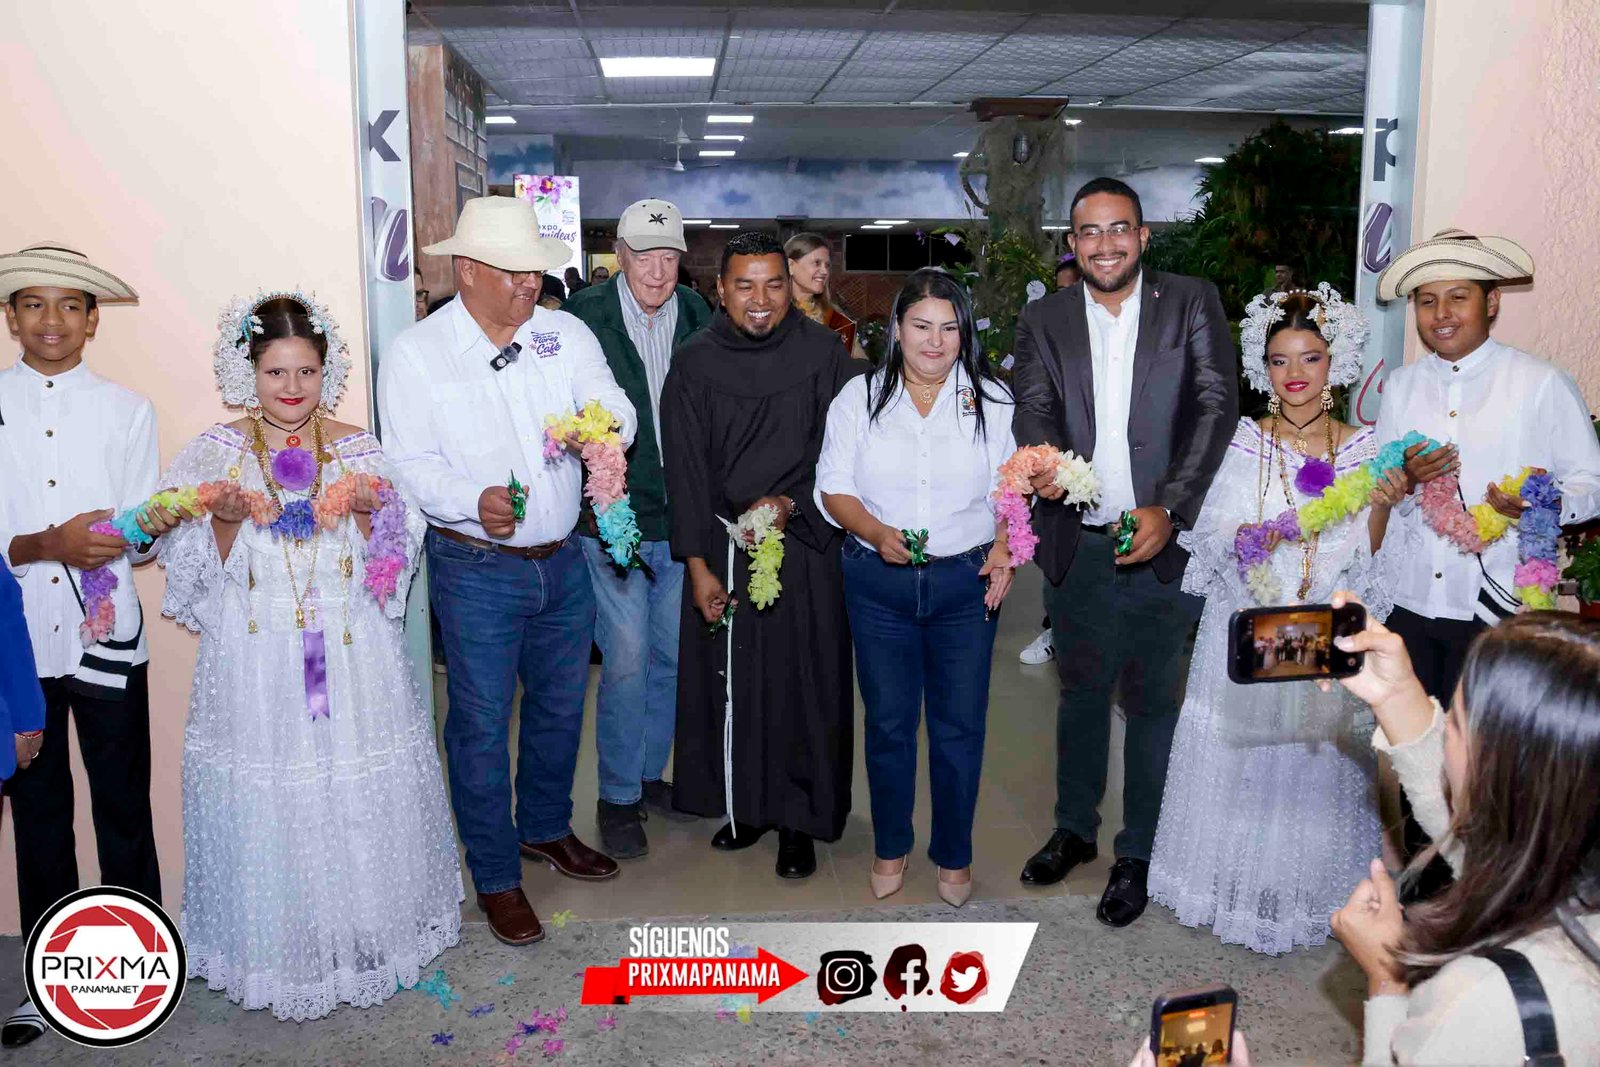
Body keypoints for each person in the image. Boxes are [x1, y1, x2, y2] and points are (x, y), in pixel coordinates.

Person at [158, 293, 463, 1020]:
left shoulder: (358, 448)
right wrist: (222, 522)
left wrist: (370, 512)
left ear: (328, 371)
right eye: (275, 372)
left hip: (345, 650)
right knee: (277, 788)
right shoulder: (217, 452)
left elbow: (397, 552)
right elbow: (183, 562)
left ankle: (362, 929)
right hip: (258, 653)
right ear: (248, 372)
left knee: (347, 781)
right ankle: (282, 939)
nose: (291, 388)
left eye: (306, 371)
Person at [378, 196, 635, 947]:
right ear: (467, 269)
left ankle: (545, 828)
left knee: (559, 709)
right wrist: (472, 500)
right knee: (482, 725)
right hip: (477, 568)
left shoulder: (563, 334)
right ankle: (494, 872)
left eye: (535, 271)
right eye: (514, 271)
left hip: (565, 561)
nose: (531, 283)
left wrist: (601, 430)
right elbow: (408, 463)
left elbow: (617, 408)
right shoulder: (419, 353)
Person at [1147, 285, 1409, 955]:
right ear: (1261, 368)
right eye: (1279, 360)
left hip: (1325, 628)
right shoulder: (1240, 441)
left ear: (1336, 363)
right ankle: (1230, 887)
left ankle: (1303, 894)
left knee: (1312, 761)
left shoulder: (1366, 449)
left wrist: (1380, 507)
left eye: (1310, 357)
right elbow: (1210, 532)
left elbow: (1375, 560)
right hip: (1249, 620)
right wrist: (1247, 542)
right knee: (1244, 755)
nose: (1295, 373)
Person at [1010, 177, 1239, 927]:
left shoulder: (1190, 301)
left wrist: (1172, 507)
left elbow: (1216, 404)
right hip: (1078, 538)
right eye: (1089, 231)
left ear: (1142, 236)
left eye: (1119, 229)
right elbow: (1033, 406)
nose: (1104, 244)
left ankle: (1138, 851)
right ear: (1072, 243)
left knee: (1150, 702)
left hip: (1160, 538)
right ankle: (1074, 829)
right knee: (1079, 691)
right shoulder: (1044, 317)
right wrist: (1042, 460)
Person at [1373, 229, 1600, 890]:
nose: (1441, 314)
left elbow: (1591, 483)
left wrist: (1536, 501)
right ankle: (1424, 900)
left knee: (1488, 766)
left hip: (1496, 606)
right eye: (1427, 301)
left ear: (1491, 302)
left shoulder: (1539, 383)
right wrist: (1401, 482)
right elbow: (1383, 485)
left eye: (1458, 298)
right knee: (1412, 755)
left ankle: (1484, 900)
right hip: (1412, 601)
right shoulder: (1401, 387)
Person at [0, 245, 172, 1049]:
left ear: (93, 319)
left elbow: (142, 535)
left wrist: (132, 531)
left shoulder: (127, 410)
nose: (52, 320)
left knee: (123, 809)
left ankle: (137, 975)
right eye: (33, 304)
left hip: (107, 643)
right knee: (39, 818)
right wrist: (50, 542)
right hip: (18, 646)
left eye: (70, 304)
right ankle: (48, 983)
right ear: (12, 318)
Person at [660, 231, 861, 879]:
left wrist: (793, 503)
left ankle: (799, 819)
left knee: (803, 682)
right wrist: (697, 566)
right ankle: (747, 805)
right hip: (723, 546)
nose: (760, 299)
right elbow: (686, 472)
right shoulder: (694, 363)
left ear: (792, 287)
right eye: (744, 285)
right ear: (720, 289)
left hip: (805, 544)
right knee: (736, 683)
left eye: (774, 284)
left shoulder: (824, 353)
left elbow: (846, 453)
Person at [1326, 598, 1600, 1065]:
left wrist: (1388, 979)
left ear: (1499, 771)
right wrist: (1395, 695)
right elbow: (1476, 836)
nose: (1445, 733)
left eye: (1452, 722)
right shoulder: (1566, 860)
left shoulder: (1486, 999)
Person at [816, 268, 1015, 908]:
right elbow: (833, 487)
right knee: (889, 725)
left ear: (965, 333)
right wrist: (876, 532)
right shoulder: (859, 397)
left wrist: (1007, 545)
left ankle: (954, 854)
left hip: (966, 583)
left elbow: (1010, 489)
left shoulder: (993, 400)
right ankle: (890, 845)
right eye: (921, 326)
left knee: (960, 727)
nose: (935, 341)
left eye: (949, 328)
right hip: (879, 584)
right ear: (896, 330)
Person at [564, 199, 711, 858]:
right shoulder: (583, 318)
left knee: (672, 656)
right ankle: (618, 795)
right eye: (644, 256)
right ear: (618, 255)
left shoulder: (699, 315)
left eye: (669, 257)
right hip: (611, 519)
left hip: (683, 519)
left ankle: (650, 774)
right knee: (624, 658)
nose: (657, 271)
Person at [785, 232, 869, 361]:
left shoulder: (836, 320)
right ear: (791, 266)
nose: (825, 271)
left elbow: (861, 365)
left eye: (827, 265)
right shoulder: (773, 314)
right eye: (816, 263)